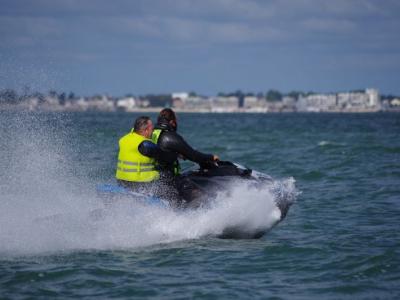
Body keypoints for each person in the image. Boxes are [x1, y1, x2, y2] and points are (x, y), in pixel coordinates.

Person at [152, 108, 219, 203]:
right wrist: (211, 157)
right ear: (172, 122)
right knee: (203, 197)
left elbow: (161, 151)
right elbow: (194, 156)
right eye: (176, 121)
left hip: (157, 180)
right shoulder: (169, 136)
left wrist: (175, 154)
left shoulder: (153, 133)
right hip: (169, 182)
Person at [116, 116, 162, 194]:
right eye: (152, 129)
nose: (153, 131)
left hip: (121, 180)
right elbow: (162, 154)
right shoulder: (144, 143)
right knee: (164, 176)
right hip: (139, 182)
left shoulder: (124, 139)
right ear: (146, 130)